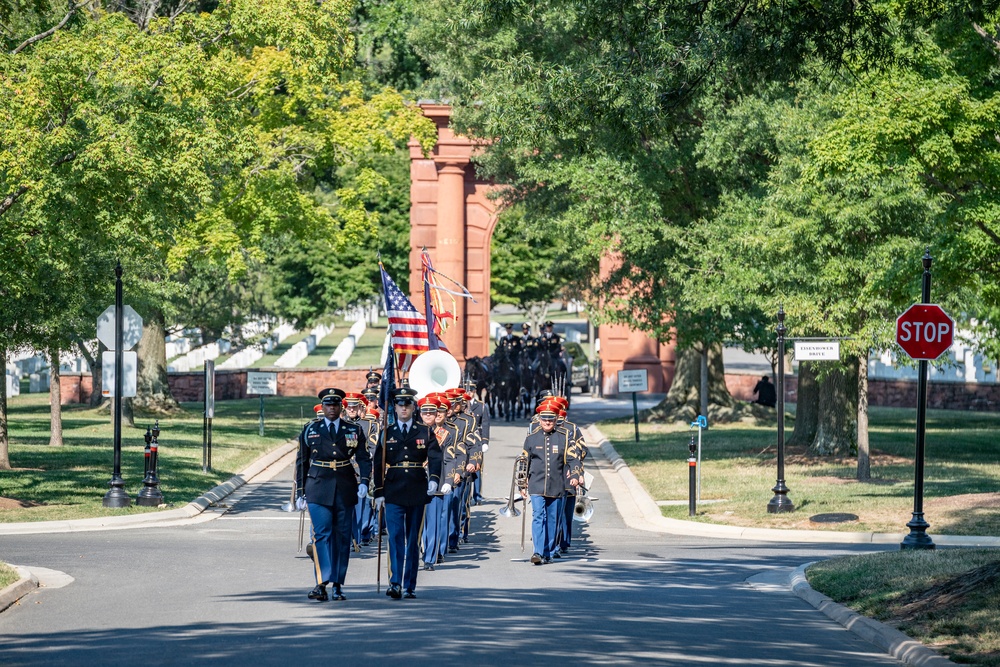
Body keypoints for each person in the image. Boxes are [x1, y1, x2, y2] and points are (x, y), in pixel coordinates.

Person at [295, 387, 372, 602]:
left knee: (341, 537)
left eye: (336, 405)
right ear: (323, 406)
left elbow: (364, 458)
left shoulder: (353, 429)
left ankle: (338, 584)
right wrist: (300, 493)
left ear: (341, 407)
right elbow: (302, 461)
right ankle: (321, 583)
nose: (332, 408)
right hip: (318, 487)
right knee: (321, 535)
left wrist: (365, 481)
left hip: (345, 486)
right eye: (328, 405)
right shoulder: (311, 429)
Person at [373, 386, 442, 599]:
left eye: (407, 404)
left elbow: (436, 457)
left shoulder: (425, 431)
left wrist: (433, 480)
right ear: (394, 407)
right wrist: (378, 491)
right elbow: (378, 461)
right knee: (395, 538)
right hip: (393, 489)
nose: (404, 408)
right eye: (400, 405)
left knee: (413, 539)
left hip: (417, 488)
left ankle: (409, 584)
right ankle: (395, 583)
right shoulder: (387, 432)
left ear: (413, 407)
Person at [520, 403, 583, 565]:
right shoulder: (531, 438)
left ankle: (548, 551)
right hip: (536, 484)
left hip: (557, 485)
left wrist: (575, 474)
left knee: (553, 520)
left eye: (551, 420)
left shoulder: (564, 437)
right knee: (538, 516)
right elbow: (524, 462)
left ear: (556, 420)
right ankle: (538, 552)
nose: (547, 423)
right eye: (544, 419)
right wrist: (522, 483)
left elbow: (573, 458)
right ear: (539, 420)